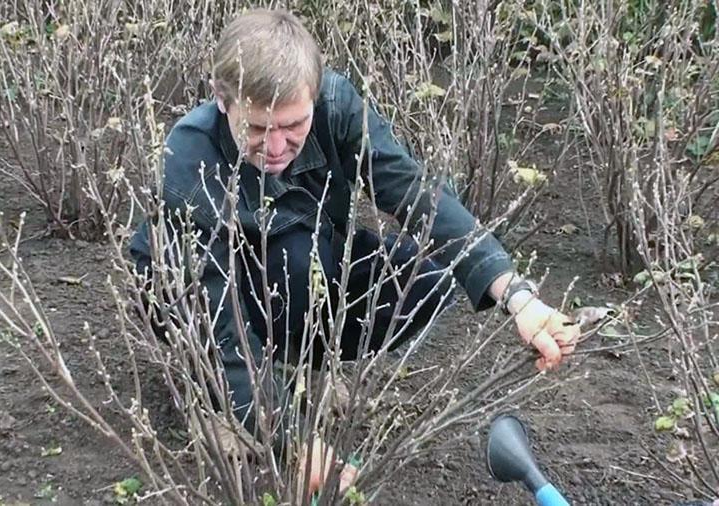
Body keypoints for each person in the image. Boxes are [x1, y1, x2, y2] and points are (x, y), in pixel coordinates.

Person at [129, 8, 580, 496]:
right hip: (200, 295)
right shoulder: (190, 155)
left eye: (294, 124)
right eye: (259, 128)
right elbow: (215, 319)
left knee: (423, 280)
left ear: (314, 96)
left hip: (298, 267)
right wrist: (292, 440)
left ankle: (300, 369)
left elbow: (417, 196)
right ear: (223, 100)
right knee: (294, 266)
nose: (278, 146)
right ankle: (222, 405)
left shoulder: (336, 105)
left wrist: (518, 296)